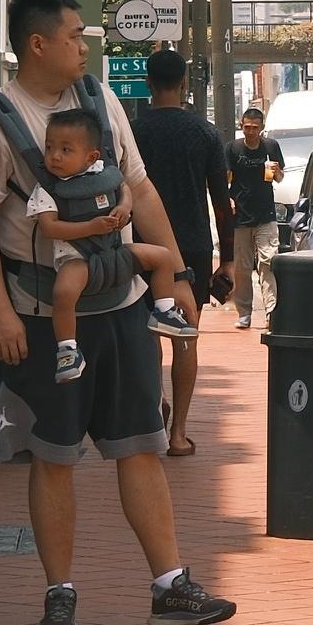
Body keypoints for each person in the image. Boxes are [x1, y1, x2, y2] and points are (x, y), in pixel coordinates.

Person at [0, 0, 235, 625]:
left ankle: (171, 587)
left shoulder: (102, 102)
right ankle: (59, 596)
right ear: (38, 45)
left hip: (125, 306)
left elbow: (139, 191)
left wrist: (182, 275)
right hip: (48, 316)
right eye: (76, 36)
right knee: (54, 457)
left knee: (141, 443)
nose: (87, 46)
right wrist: (1, 312)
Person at [128, 49, 236, 456]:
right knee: (185, 338)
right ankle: (179, 434)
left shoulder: (135, 133)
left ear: (148, 84)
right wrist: (228, 260)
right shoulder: (205, 134)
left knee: (147, 334)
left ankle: (157, 412)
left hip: (140, 243)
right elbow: (222, 205)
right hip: (190, 248)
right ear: (185, 84)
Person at [31, 108, 189, 381]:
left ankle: (164, 310)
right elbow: (49, 227)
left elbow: (124, 187)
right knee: (63, 292)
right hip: (76, 258)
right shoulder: (47, 189)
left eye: (66, 150)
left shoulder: (104, 172)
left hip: (115, 251)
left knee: (163, 257)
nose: (54, 156)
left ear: (91, 156)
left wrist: (125, 207)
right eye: (49, 147)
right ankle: (67, 350)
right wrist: (89, 228)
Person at [227, 103, 286, 329]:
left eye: (255, 127)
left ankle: (271, 311)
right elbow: (225, 178)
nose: (250, 131)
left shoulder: (271, 146)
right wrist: (228, 199)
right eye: (247, 127)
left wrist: (277, 170)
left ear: (262, 128)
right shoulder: (232, 149)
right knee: (242, 267)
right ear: (241, 126)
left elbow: (279, 178)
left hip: (266, 215)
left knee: (268, 262)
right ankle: (244, 312)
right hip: (240, 216)